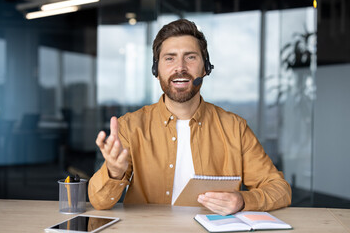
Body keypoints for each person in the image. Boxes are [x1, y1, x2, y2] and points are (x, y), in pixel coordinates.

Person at [88, 19, 291, 215]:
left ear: (205, 68)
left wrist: (243, 200)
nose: (180, 67)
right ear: (156, 71)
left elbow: (279, 189)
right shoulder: (130, 127)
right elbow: (99, 201)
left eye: (191, 57)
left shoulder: (234, 128)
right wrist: (114, 173)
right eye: (170, 58)